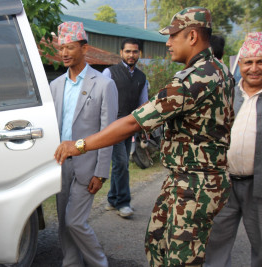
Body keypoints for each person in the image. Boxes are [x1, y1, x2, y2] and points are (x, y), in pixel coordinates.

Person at [54, 7, 235, 266]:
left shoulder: (195, 79)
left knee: (178, 257)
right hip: (193, 179)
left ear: (192, 36)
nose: (168, 43)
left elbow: (132, 122)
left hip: (194, 185)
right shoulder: (220, 70)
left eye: (173, 36)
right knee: (157, 241)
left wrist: (80, 145)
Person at [50, 21, 118, 267]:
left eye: (70, 47)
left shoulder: (103, 84)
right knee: (63, 225)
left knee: (75, 221)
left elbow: (108, 132)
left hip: (87, 166)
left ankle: (99, 263)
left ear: (84, 48)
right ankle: (71, 264)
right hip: (61, 165)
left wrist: (101, 173)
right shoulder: (55, 86)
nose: (64, 53)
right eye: (61, 48)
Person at [205, 32, 262, 267]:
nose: (254, 68)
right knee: (214, 241)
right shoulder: (228, 93)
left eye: (260, 62)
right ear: (240, 64)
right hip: (224, 184)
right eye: (248, 62)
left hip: (258, 187)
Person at [102, 38, 148, 218]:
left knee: (120, 164)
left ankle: (113, 199)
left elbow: (143, 104)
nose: (131, 55)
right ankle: (123, 202)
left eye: (135, 52)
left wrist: (144, 128)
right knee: (122, 162)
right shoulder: (109, 72)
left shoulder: (141, 77)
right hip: (113, 126)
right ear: (121, 53)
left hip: (131, 126)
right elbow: (102, 99)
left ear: (139, 54)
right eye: (128, 51)